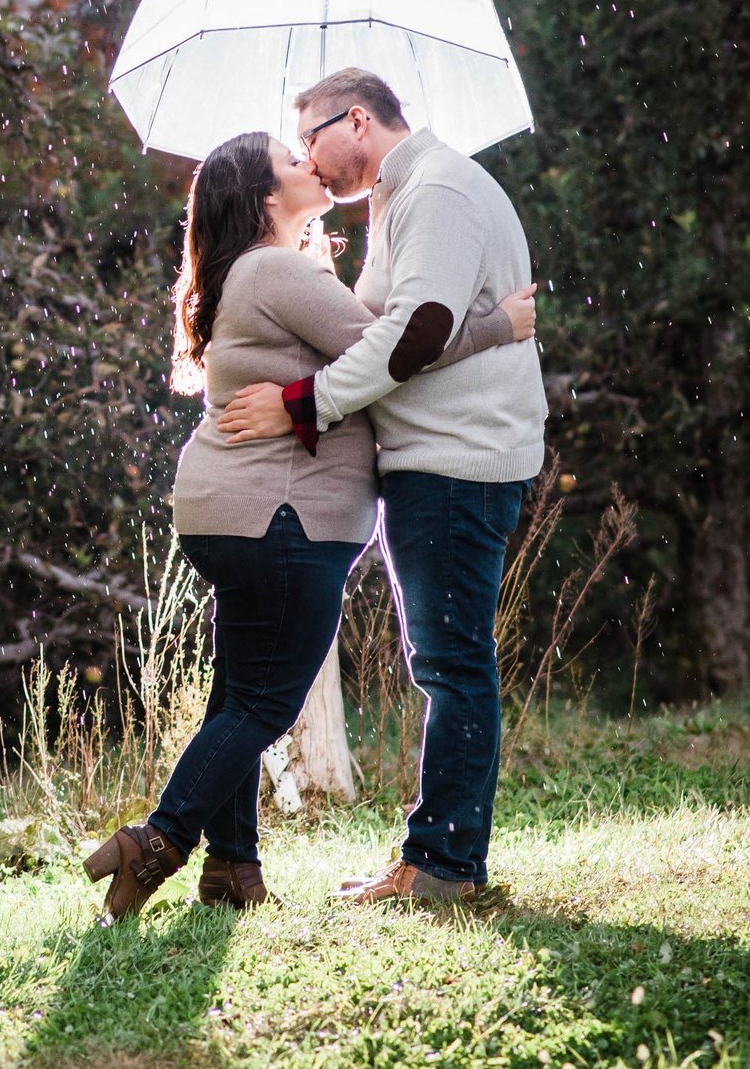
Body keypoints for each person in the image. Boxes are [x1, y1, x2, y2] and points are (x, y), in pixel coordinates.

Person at [83, 129, 534, 921]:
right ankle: (157, 837)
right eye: (293, 162)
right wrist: (499, 324)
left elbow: (341, 344)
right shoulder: (276, 270)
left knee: (237, 691)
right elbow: (399, 351)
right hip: (278, 517)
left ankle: (233, 869)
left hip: (239, 511)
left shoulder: (259, 273)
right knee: (264, 704)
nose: (310, 165)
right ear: (266, 198)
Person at [216, 67, 547, 904]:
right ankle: (435, 857)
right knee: (445, 659)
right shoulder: (399, 201)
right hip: (432, 463)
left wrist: (305, 403)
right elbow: (396, 329)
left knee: (450, 663)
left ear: (355, 120)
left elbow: (417, 332)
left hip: (455, 463)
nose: (307, 161)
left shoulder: (435, 191)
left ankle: (443, 866)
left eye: (311, 140)